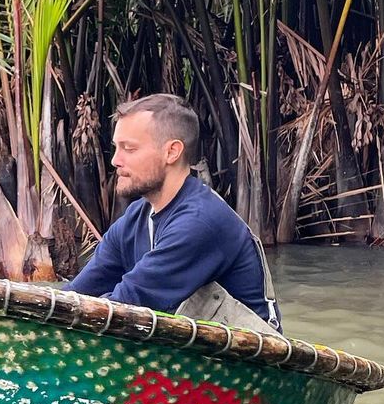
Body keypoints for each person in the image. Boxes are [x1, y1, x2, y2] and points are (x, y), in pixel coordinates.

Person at [65, 94, 282, 334]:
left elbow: (127, 304)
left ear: (172, 152)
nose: (116, 160)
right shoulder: (134, 219)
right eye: (116, 148)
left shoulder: (200, 222)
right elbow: (79, 292)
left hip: (249, 359)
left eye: (129, 149)